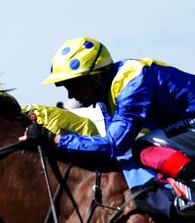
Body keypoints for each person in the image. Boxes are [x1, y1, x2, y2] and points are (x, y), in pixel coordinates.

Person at [29, 37, 195, 193]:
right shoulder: (107, 94)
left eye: (74, 86)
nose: (71, 96)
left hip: (189, 122)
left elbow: (114, 145)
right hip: (183, 124)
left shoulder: (132, 84)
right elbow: (110, 147)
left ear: (96, 77)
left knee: (142, 147)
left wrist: (56, 139)